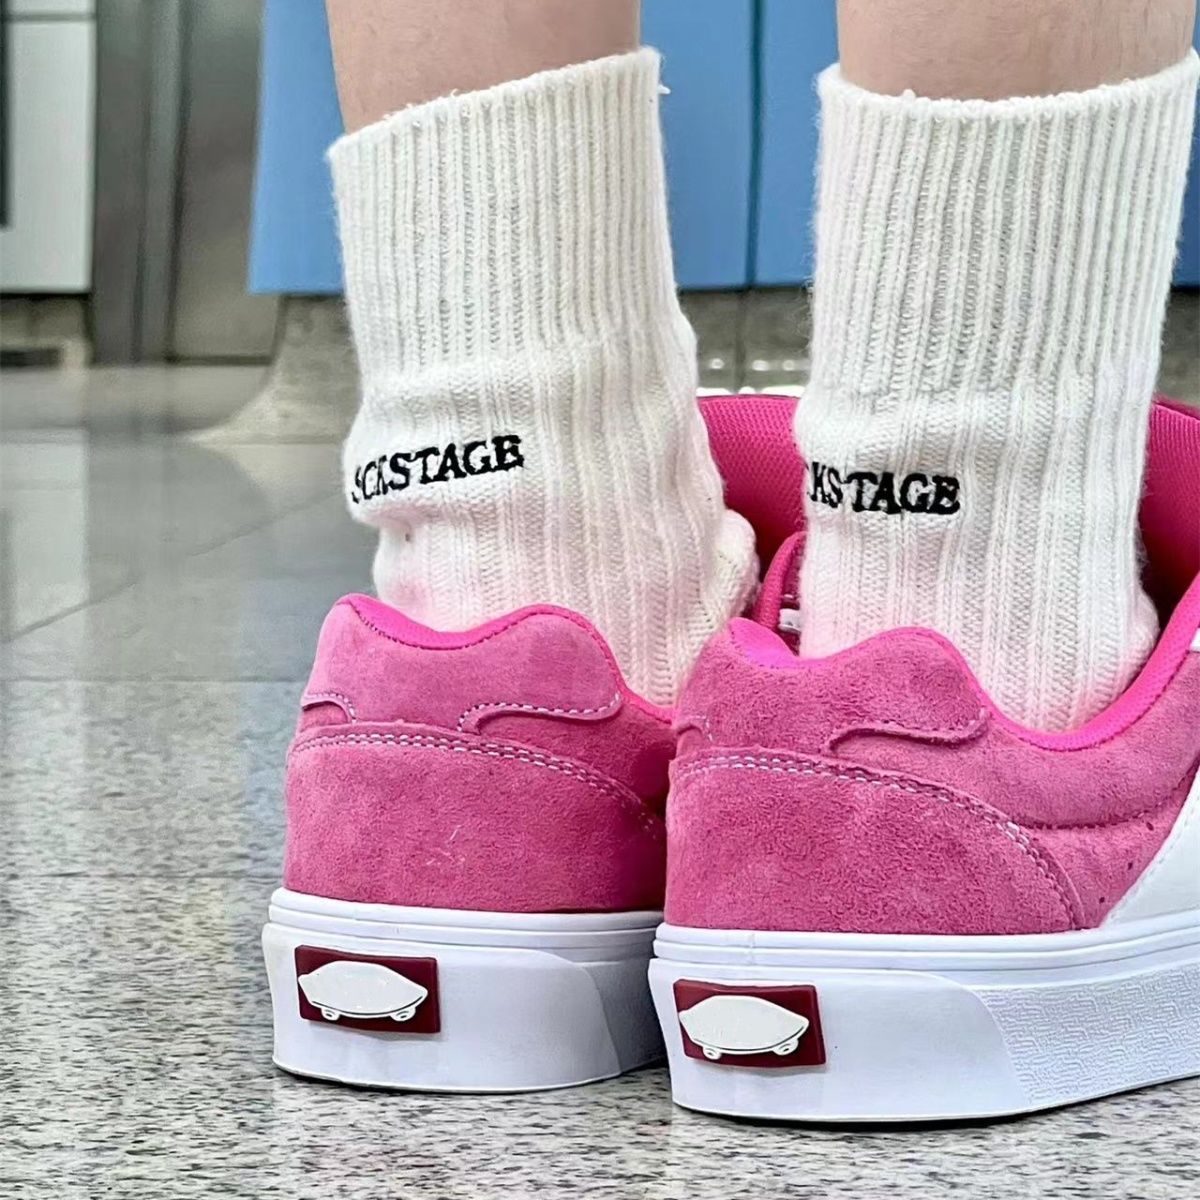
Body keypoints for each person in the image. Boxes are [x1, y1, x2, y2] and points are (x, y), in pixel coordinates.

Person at [262, 0, 1199, 1113]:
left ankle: (501, 606)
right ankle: (975, 626)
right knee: (955, 564)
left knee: (506, 512)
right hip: (970, 844)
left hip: (377, 763)